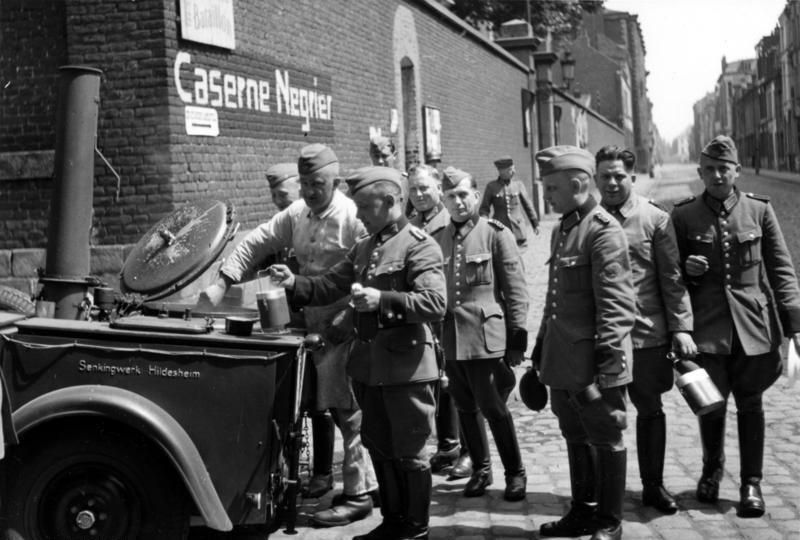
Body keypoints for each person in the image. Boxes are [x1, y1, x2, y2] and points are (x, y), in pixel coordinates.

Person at [198, 144, 379, 527]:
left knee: (350, 412)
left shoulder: (352, 217)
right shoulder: (297, 214)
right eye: (306, 184)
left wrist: (350, 314)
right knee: (324, 406)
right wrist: (223, 283)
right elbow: (256, 242)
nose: (311, 191)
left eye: (319, 183)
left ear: (336, 181)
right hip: (312, 327)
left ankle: (358, 493)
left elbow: (373, 269)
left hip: (350, 326)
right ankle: (345, 480)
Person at [269, 165, 447, 540]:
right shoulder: (365, 247)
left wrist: (382, 299)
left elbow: (435, 302)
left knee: (410, 452)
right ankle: (393, 523)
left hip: (406, 369)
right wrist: (294, 282)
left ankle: (415, 529)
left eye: (365, 207)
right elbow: (330, 283)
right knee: (379, 446)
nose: (360, 215)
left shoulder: (419, 245)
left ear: (390, 202)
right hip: (369, 368)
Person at [671, 135, 800, 518]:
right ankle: (711, 471)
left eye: (723, 168)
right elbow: (669, 274)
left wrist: (794, 325)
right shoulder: (683, 215)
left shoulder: (759, 211)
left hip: (753, 327)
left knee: (751, 403)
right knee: (709, 405)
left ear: (737, 171)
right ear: (700, 173)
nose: (716, 175)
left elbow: (781, 269)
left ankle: (751, 483)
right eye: (709, 169)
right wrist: (687, 271)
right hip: (706, 329)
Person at [532, 145, 635, 540]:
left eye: (552, 188)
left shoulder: (603, 231)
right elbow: (554, 299)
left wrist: (607, 369)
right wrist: (541, 349)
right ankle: (583, 511)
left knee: (606, 435)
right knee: (574, 434)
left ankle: (609, 522)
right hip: (564, 361)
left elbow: (616, 306)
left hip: (594, 364)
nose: (547, 197)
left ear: (578, 184)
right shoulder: (564, 227)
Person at [595, 145, 697, 514]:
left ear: (632, 178)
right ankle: (602, 494)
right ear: (595, 178)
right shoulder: (586, 220)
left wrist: (681, 328)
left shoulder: (654, 219)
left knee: (650, 409)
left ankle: (653, 486)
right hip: (602, 338)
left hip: (646, 335)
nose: (612, 182)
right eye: (605, 175)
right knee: (600, 416)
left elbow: (672, 278)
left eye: (619, 175)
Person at [437, 166, 529, 501]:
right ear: (443, 201)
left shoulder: (495, 232)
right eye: (451, 196)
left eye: (464, 194)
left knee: (493, 406)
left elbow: (516, 288)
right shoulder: (439, 239)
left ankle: (515, 472)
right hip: (453, 339)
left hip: (486, 338)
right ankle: (481, 469)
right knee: (464, 406)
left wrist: (517, 336)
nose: (458, 202)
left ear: (476, 196)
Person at [267, 160, 336, 489]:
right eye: (273, 194)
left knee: (321, 403)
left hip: (321, 323)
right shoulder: (287, 224)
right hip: (291, 325)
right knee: (295, 402)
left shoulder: (319, 222)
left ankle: (322, 472)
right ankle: (290, 472)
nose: (277, 200)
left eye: (281, 193)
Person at [407, 164, 472, 480]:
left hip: (452, 315)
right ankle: (448, 446)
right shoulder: (412, 224)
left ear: (438, 190)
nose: (419, 195)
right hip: (426, 315)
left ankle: (469, 452)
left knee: (459, 385)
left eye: (425, 188)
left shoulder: (448, 224)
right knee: (440, 382)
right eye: (413, 190)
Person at [479, 156, 540, 247]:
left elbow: (528, 206)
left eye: (513, 168)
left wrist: (535, 224)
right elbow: (484, 209)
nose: (514, 171)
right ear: (501, 171)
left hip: (518, 230)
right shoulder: (491, 187)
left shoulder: (518, 185)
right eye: (510, 169)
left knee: (520, 256)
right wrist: (484, 226)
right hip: (500, 229)